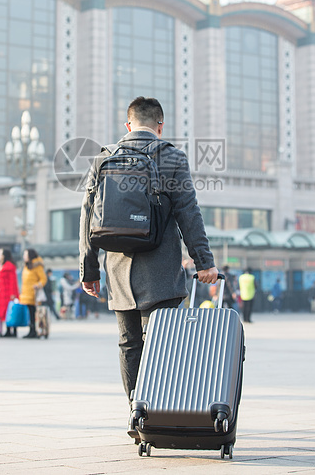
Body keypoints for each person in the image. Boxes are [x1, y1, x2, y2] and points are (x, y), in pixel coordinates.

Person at [79, 96, 218, 402]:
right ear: (160, 125)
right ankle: (158, 409)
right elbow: (188, 213)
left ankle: (136, 410)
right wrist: (204, 263)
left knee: (129, 344)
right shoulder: (171, 157)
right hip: (160, 271)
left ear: (128, 125)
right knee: (162, 343)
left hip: (118, 273)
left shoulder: (103, 158)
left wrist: (89, 271)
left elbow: (88, 215)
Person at [19, 248, 47, 338]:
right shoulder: (26, 266)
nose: (24, 257)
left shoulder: (37, 266)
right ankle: (31, 330)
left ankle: (35, 331)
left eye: (25, 255)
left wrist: (37, 285)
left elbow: (43, 279)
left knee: (34, 314)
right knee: (30, 314)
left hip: (34, 295)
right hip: (26, 293)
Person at [0, 248, 20, 337]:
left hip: (9, 293)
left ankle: (14, 330)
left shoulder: (10, 266)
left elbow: (13, 281)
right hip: (2, 293)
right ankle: (8, 330)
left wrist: (13, 294)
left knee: (12, 310)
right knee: (5, 312)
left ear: (4, 256)